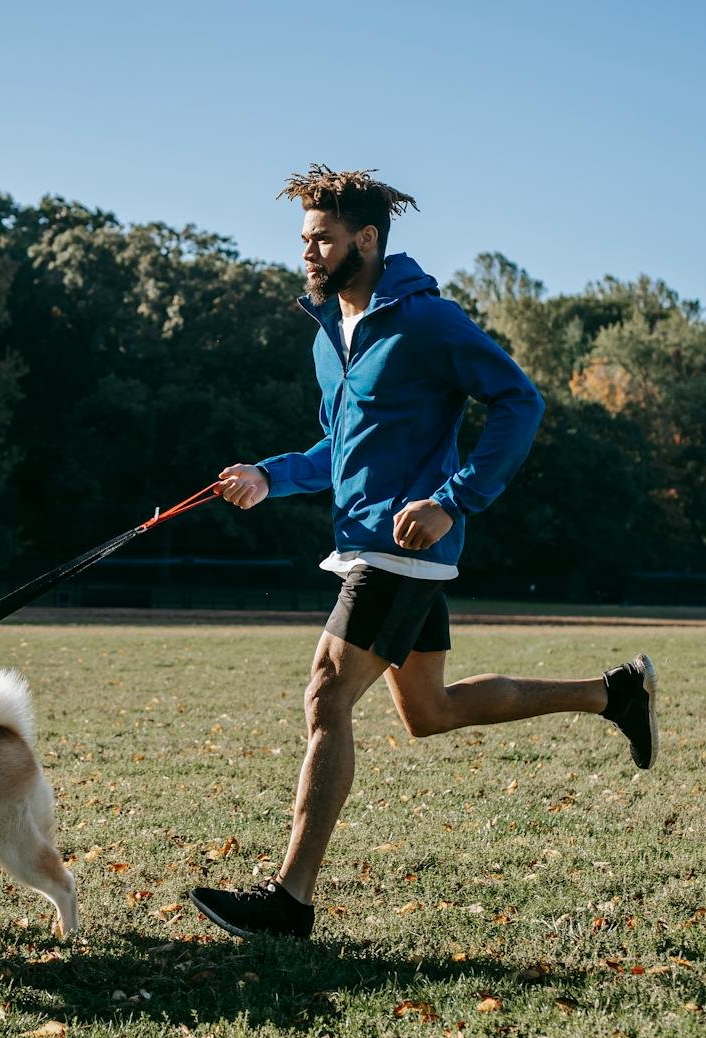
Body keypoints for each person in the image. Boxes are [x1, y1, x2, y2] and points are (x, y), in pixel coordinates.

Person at [189, 165, 658, 940]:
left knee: (326, 696)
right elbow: (338, 450)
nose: (308, 253)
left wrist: (454, 499)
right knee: (428, 711)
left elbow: (520, 399)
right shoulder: (331, 333)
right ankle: (614, 693)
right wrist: (268, 477)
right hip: (369, 543)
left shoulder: (427, 321)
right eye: (304, 239)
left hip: (398, 549)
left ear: (365, 240)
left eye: (323, 239)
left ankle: (289, 900)